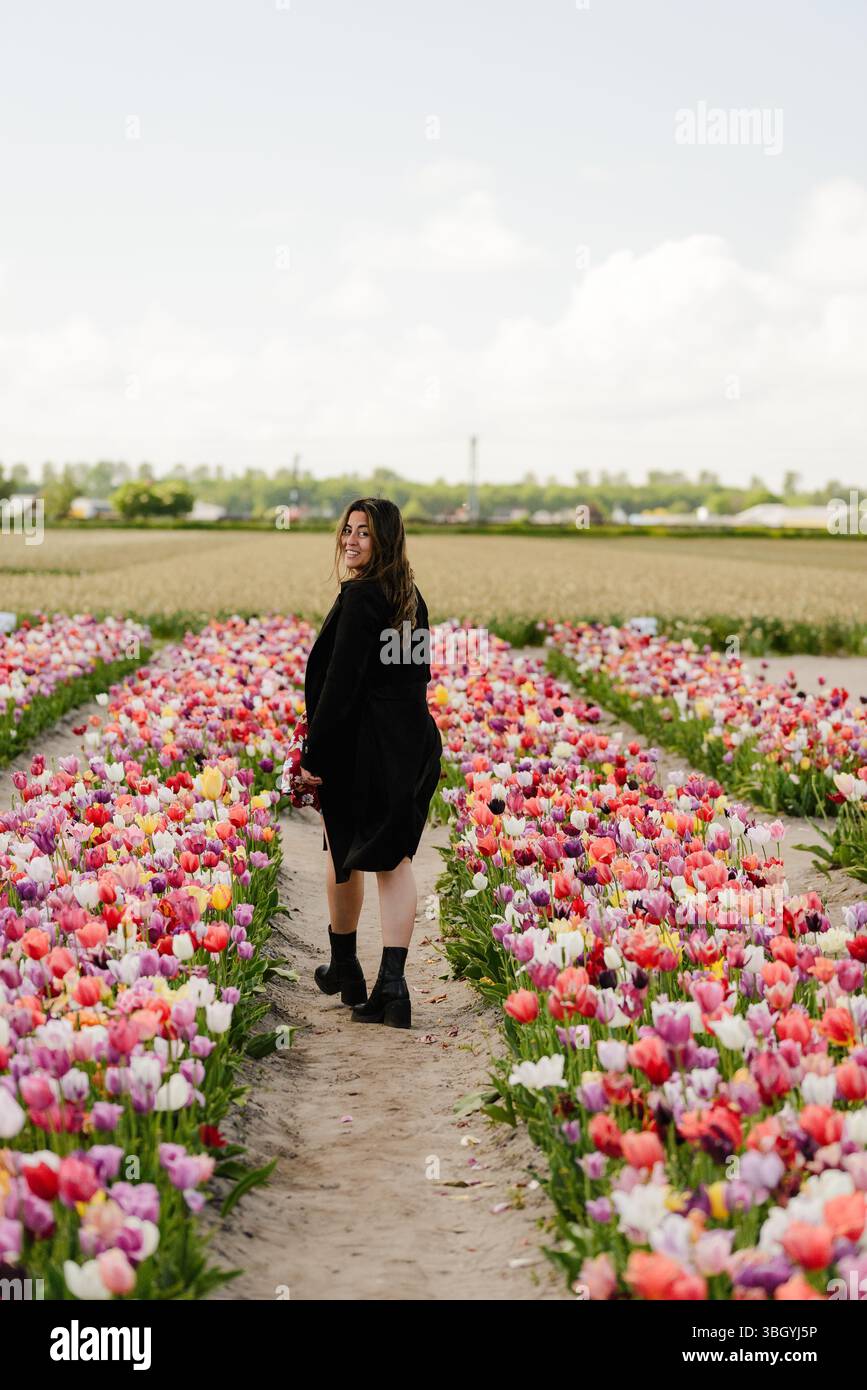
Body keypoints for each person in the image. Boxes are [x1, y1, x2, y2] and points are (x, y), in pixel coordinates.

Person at [299, 497, 444, 1029]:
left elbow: (340, 687)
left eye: (364, 532)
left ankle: (370, 977)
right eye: (347, 530)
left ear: (384, 540)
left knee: (359, 856)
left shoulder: (362, 599)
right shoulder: (409, 597)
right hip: (412, 742)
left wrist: (314, 753)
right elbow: (413, 678)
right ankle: (378, 981)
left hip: (369, 748)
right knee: (384, 858)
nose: (351, 540)